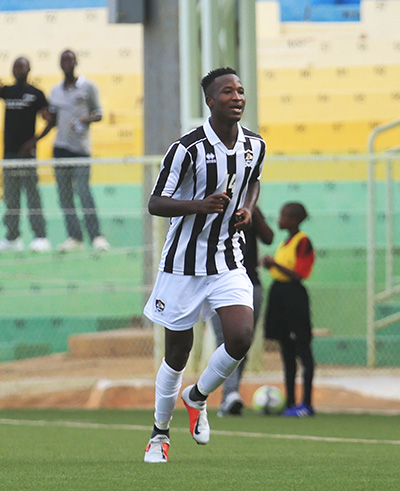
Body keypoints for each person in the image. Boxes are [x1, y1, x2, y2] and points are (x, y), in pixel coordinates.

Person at [141, 67, 266, 463]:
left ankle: (197, 396)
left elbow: (253, 180)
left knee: (241, 337)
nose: (237, 97)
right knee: (177, 354)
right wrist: (199, 205)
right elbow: (155, 202)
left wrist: (247, 208)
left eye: (240, 90)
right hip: (182, 265)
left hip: (227, 259)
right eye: (227, 91)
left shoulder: (255, 145)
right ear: (210, 101)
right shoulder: (187, 149)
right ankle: (160, 434)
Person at [41, 49, 109, 252]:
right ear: (59, 64)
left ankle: (96, 236)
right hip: (60, 147)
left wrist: (85, 119)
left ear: (76, 62)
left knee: (84, 192)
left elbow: (99, 113)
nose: (67, 64)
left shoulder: (88, 87)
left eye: (70, 60)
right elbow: (53, 118)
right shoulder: (55, 91)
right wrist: (47, 117)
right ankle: (74, 237)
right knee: (65, 195)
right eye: (63, 61)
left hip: (80, 148)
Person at [209, 206, 273, 416]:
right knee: (225, 340)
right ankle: (230, 394)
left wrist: (253, 210)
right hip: (218, 282)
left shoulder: (248, 207)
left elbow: (268, 237)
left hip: (250, 283)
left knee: (243, 342)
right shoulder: (213, 205)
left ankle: (230, 396)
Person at [0, 57, 52, 253]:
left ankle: (40, 237)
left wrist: (33, 142)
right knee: (11, 197)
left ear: (29, 69)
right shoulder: (7, 91)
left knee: (32, 195)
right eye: (15, 66)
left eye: (21, 66)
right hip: (9, 153)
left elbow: (51, 120)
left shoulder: (36, 94)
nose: (18, 70)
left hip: (27, 155)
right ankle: (12, 237)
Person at [262, 202, 316, 418]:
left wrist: (274, 264)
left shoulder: (303, 241)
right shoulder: (285, 242)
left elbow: (300, 274)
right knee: (286, 351)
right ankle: (290, 402)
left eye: (283, 216)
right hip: (279, 294)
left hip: (294, 296)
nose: (280, 220)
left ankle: (307, 404)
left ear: (294, 220)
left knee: (302, 350)